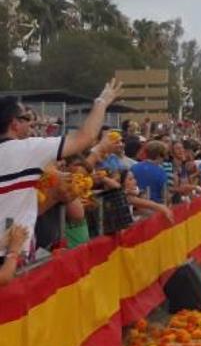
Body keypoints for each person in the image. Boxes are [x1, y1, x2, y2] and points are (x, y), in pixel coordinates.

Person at [0, 79, 123, 262]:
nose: (32, 124)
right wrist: (102, 102)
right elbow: (85, 137)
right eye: (27, 118)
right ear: (14, 124)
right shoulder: (26, 149)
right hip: (9, 258)